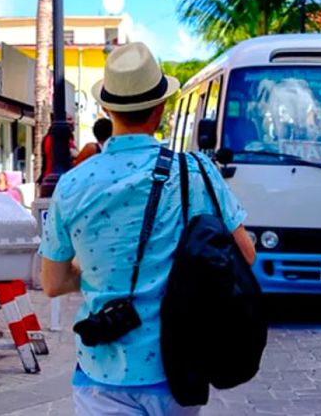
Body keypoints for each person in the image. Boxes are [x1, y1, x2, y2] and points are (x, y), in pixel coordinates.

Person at [38, 42, 256, 416]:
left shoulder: (72, 184)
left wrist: (92, 273)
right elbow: (246, 255)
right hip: (176, 368)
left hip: (102, 371)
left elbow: (53, 283)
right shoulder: (197, 172)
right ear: (160, 109)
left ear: (108, 109)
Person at [38, 113, 78, 184]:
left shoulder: (49, 137)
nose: (73, 122)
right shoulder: (60, 139)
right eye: (69, 119)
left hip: (51, 178)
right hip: (57, 180)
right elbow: (74, 155)